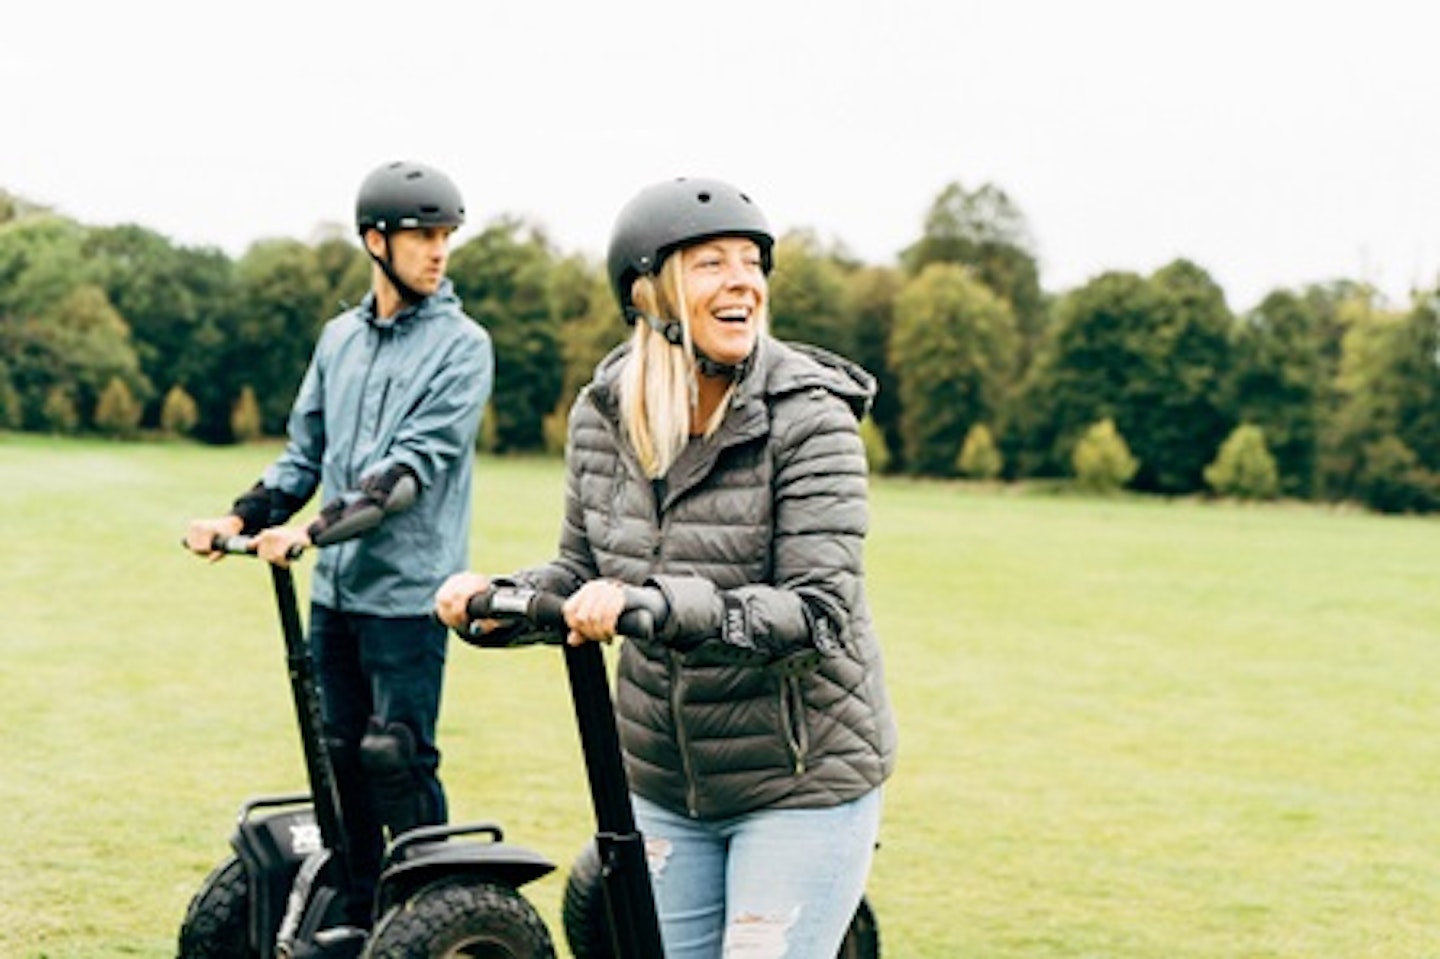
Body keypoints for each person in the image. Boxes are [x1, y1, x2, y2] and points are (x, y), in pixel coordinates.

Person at [435, 176, 897, 958]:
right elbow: (580, 570)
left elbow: (818, 611)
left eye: (752, 262)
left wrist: (657, 604)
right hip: (661, 782)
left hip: (798, 778)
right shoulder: (604, 415)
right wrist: (495, 601)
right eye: (711, 262)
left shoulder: (811, 419)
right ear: (650, 291)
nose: (742, 280)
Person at [185, 159, 492, 929]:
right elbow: (304, 456)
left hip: (406, 595)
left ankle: (432, 917)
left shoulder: (462, 346)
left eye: (446, 234)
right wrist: (239, 519)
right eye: (423, 233)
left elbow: (403, 479)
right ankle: (356, 912)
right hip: (336, 598)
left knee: (395, 754)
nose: (438, 249)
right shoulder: (339, 340)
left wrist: (311, 531)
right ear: (375, 240)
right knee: (336, 754)